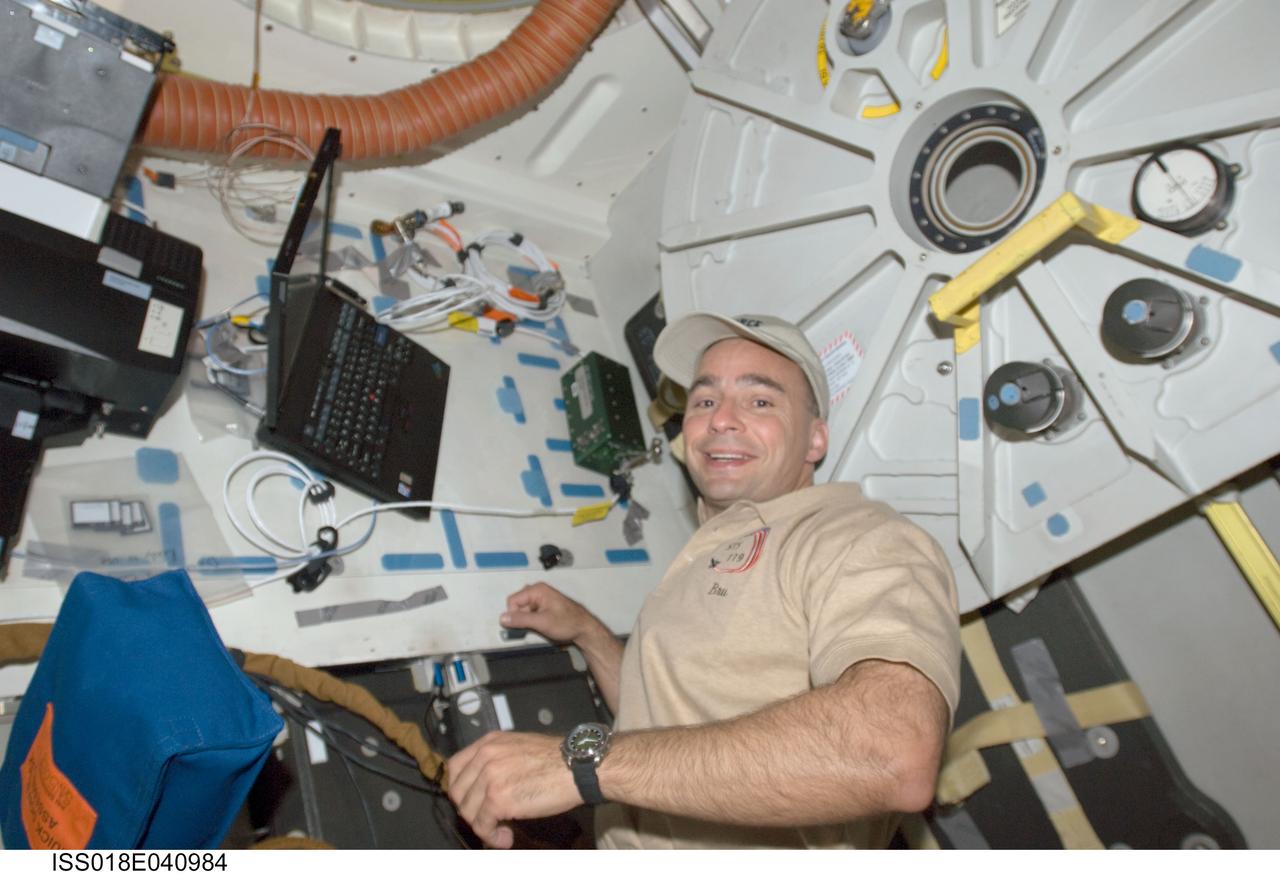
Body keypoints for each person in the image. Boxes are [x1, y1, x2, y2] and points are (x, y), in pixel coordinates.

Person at [446, 312, 961, 849]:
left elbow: (890, 750)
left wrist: (583, 764)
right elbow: (667, 720)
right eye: (705, 400)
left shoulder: (859, 538)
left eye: (760, 401)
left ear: (815, 440)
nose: (721, 420)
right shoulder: (712, 550)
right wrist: (587, 633)